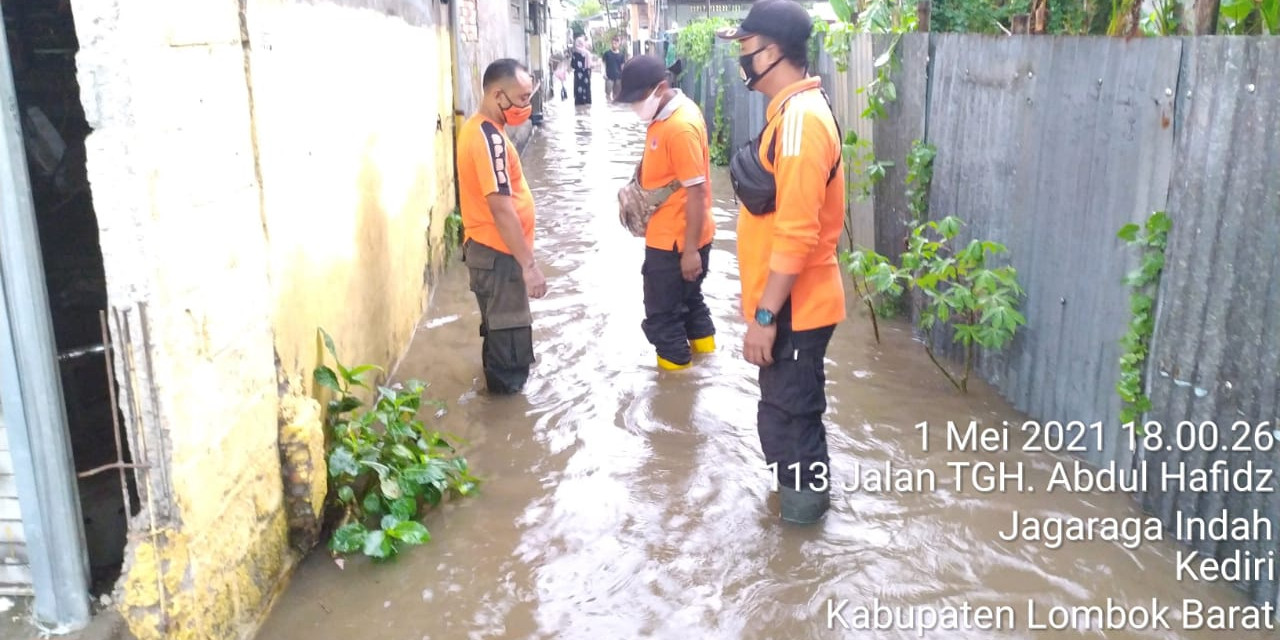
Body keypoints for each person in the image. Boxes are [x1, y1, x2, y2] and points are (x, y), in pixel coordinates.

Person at [716, 0, 847, 524]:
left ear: (772, 52)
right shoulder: (789, 116)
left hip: (795, 307)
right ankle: (798, 527)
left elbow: (796, 234)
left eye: (746, 50)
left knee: (792, 426)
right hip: (789, 304)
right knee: (784, 420)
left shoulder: (800, 124)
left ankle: (803, 539)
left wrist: (765, 318)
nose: (742, 61)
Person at [616, 55, 716, 371]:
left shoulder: (679, 126)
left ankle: (676, 395)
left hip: (675, 244)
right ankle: (706, 370)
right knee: (690, 305)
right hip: (684, 237)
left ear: (660, 88)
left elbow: (696, 191)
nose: (635, 107)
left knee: (663, 319)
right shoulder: (668, 115)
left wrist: (689, 252)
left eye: (637, 99)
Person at [456, 59, 548, 395]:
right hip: (499, 256)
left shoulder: (483, 130)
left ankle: (498, 411)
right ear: (498, 96)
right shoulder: (488, 138)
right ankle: (510, 426)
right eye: (522, 98)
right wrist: (529, 266)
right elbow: (500, 206)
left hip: (490, 254)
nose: (528, 105)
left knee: (498, 334)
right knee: (510, 349)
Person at [602, 36, 626, 101]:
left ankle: (615, 108)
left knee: (617, 94)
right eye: (613, 43)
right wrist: (603, 73)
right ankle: (609, 107)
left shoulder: (621, 55)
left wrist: (624, 76)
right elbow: (603, 64)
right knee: (608, 94)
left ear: (618, 44)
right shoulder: (607, 54)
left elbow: (622, 66)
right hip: (609, 76)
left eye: (615, 43)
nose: (614, 45)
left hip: (618, 77)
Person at [571, 36, 593, 106]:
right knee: (586, 89)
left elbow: (572, 65)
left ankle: (578, 103)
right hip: (586, 74)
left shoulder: (574, 53)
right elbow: (589, 66)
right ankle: (587, 102)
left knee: (578, 89)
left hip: (578, 75)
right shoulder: (587, 53)